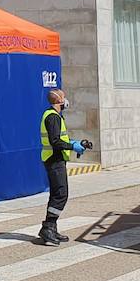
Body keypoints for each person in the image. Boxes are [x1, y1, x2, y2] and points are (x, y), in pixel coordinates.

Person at [39, 88, 86, 246]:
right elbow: (55, 141)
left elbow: (59, 138)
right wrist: (72, 147)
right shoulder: (52, 117)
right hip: (54, 160)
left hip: (57, 159)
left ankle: (51, 228)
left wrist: (73, 143)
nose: (66, 100)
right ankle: (48, 228)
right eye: (64, 97)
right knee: (61, 194)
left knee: (57, 194)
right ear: (59, 100)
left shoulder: (55, 116)